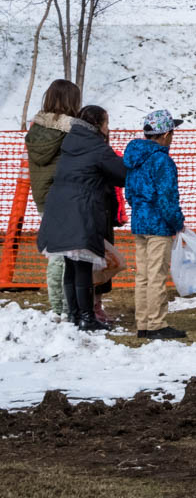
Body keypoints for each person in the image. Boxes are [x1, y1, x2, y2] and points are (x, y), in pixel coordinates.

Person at [36, 105, 126, 331]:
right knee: (83, 268)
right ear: (98, 124)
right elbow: (122, 175)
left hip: (59, 210)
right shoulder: (97, 147)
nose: (108, 127)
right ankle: (87, 318)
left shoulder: (70, 142)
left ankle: (75, 316)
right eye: (106, 122)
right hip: (81, 211)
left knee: (71, 266)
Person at [124, 109, 187, 340]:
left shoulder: (134, 159)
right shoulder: (163, 160)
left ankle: (143, 323)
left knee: (143, 276)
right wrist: (177, 222)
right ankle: (157, 323)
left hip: (140, 222)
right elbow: (167, 198)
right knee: (157, 275)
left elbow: (129, 193)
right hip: (159, 226)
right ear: (166, 134)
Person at [24, 79, 82, 318]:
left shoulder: (36, 129)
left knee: (55, 254)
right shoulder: (71, 130)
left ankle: (58, 306)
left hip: (44, 197)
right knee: (66, 255)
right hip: (64, 196)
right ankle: (65, 308)